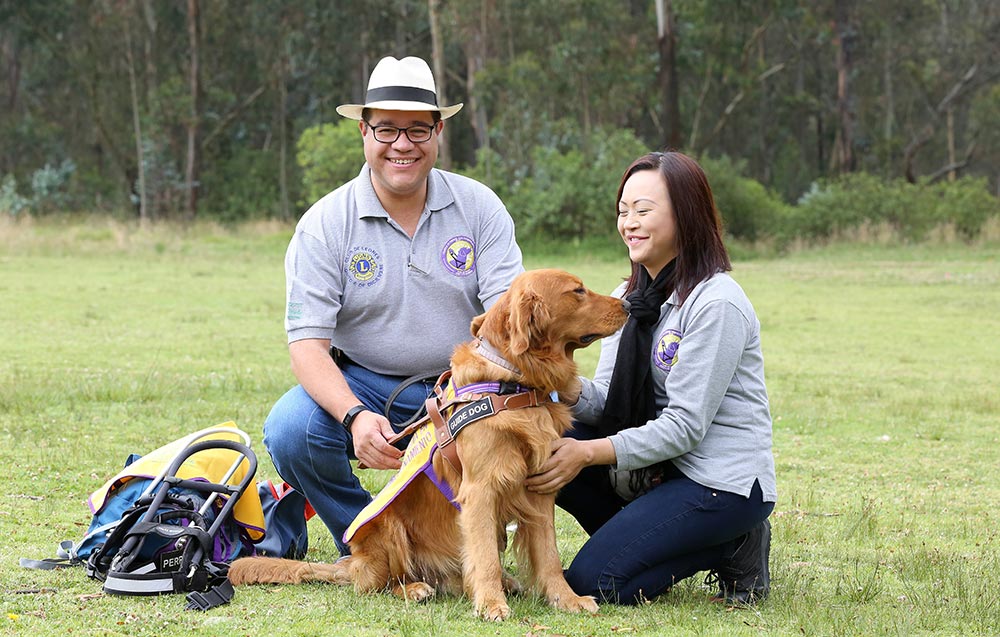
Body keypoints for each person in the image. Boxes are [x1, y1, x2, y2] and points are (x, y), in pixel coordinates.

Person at [263, 56, 523, 556]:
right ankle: (367, 540)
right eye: (385, 129)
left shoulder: (480, 207)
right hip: (367, 381)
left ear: (438, 131)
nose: (401, 144)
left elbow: (506, 325)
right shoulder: (324, 223)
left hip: (468, 379)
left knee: (543, 413)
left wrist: (461, 394)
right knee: (291, 429)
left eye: (417, 129)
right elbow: (308, 347)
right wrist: (355, 416)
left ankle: (471, 537)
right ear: (363, 131)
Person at [526, 151, 776, 606]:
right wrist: (548, 376)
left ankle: (734, 542)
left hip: (716, 483)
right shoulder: (630, 297)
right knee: (542, 445)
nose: (629, 223)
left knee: (593, 584)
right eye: (623, 211)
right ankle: (648, 536)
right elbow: (603, 406)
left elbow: (685, 426)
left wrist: (587, 453)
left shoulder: (716, 303)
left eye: (644, 210)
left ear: (686, 214)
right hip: (654, 473)